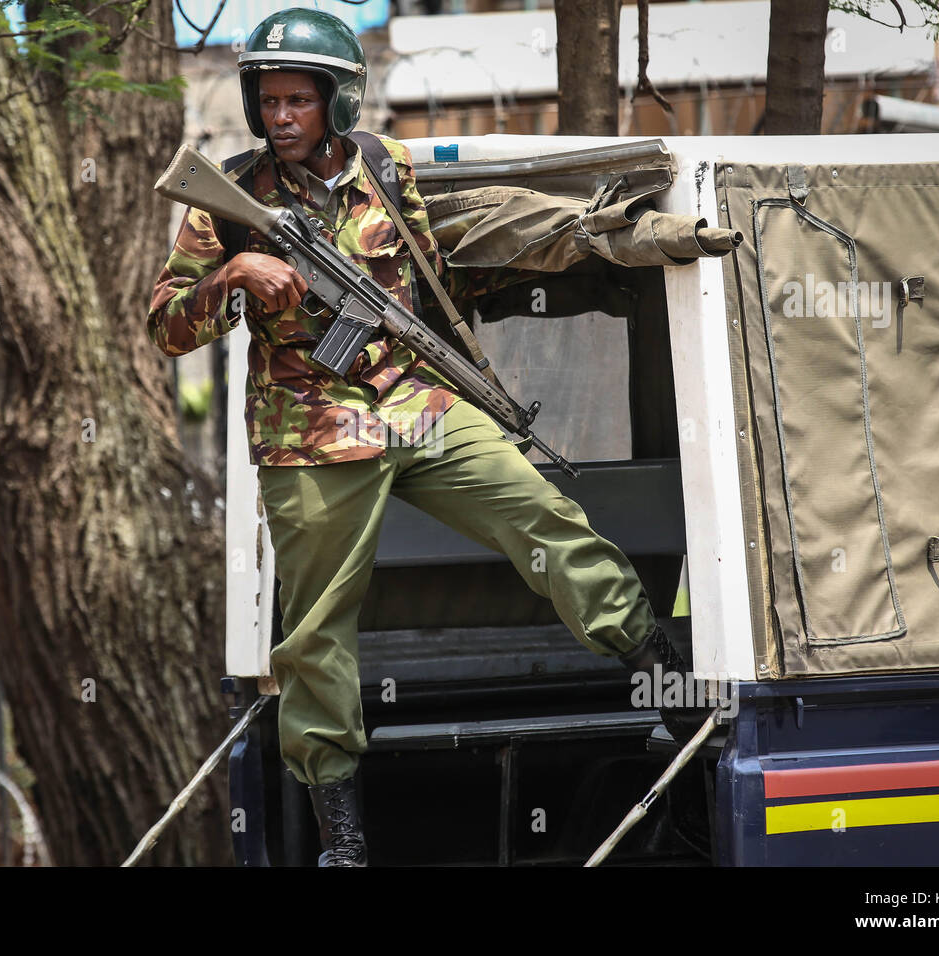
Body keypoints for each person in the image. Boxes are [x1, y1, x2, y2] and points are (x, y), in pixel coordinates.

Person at [146, 7, 705, 867]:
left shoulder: (382, 163)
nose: (280, 116)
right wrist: (233, 273)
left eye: (298, 100)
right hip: (311, 432)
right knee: (318, 630)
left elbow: (431, 272)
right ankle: (343, 838)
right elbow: (165, 326)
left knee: (543, 517)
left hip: (417, 403)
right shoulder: (226, 198)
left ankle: (673, 694)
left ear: (337, 103)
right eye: (268, 99)